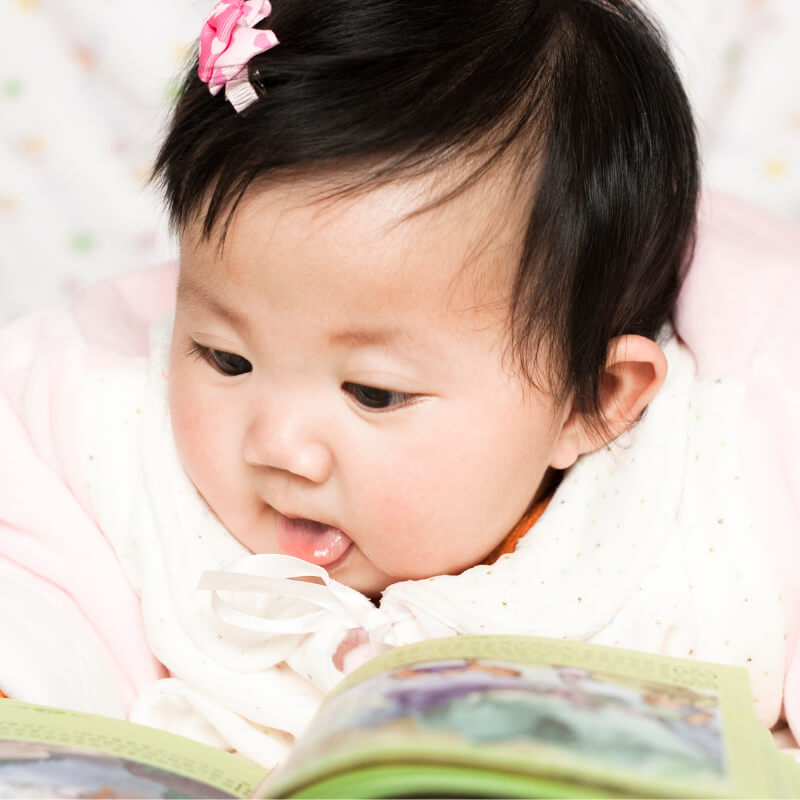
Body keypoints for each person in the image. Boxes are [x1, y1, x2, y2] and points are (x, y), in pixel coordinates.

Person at [1, 0, 799, 769]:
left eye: (373, 394)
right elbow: (32, 579)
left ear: (594, 400)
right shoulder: (106, 423)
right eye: (224, 358)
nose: (279, 446)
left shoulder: (729, 490)